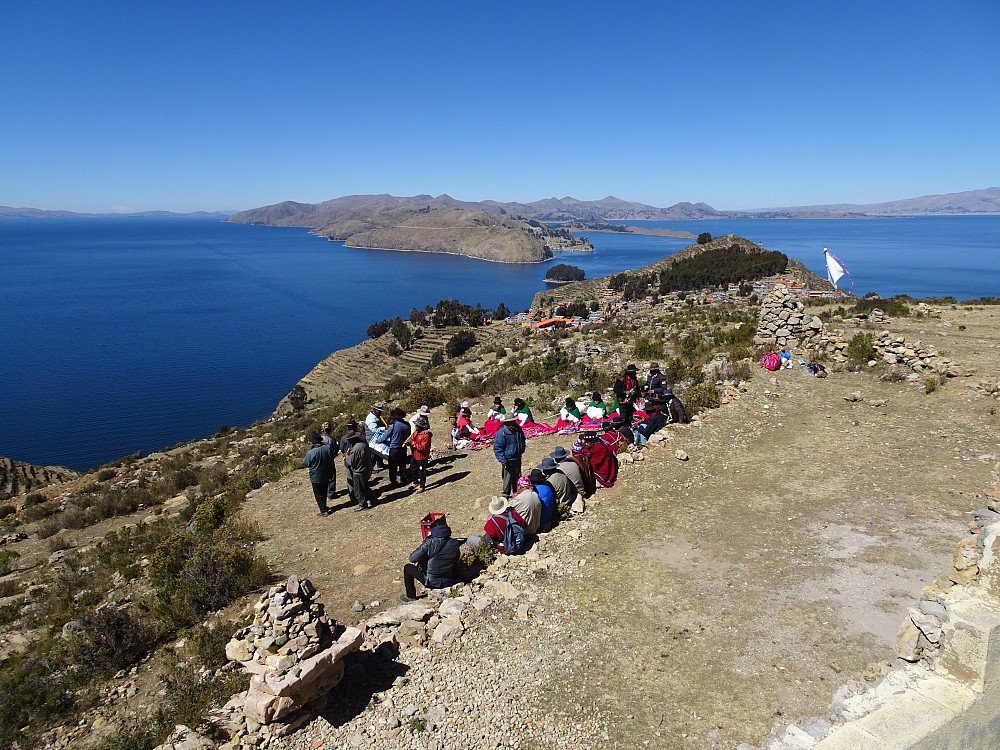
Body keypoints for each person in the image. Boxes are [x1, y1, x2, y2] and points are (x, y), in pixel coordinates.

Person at [402, 517, 463, 600]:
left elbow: (412, 558)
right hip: (448, 580)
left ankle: (410, 596)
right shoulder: (455, 543)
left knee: (408, 568)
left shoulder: (430, 542)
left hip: (432, 582)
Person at [493, 412, 526, 498]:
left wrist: (522, 450)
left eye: (513, 422)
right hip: (507, 460)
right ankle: (505, 495)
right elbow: (498, 449)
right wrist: (503, 461)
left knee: (517, 477)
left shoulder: (518, 429)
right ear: (506, 423)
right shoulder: (501, 433)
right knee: (507, 479)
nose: (512, 424)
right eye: (510, 422)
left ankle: (517, 493)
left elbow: (522, 439)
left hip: (517, 457)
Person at [302, 433, 334, 516]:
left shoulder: (311, 452)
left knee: (318, 494)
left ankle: (323, 510)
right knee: (324, 491)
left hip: (316, 477)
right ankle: (324, 507)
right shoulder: (327, 448)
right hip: (326, 474)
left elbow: (305, 463)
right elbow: (332, 457)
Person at [378, 408, 412, 486]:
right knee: (402, 465)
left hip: (394, 448)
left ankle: (393, 482)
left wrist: (379, 441)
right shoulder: (407, 425)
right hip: (402, 447)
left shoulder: (394, 426)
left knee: (392, 467)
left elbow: (385, 437)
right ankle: (403, 479)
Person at [343, 431, 373, 511]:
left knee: (358, 489)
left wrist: (347, 456)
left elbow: (350, 462)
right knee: (365, 486)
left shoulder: (356, 448)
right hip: (365, 468)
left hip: (358, 471)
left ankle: (362, 505)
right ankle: (367, 501)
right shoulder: (363, 445)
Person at [404, 415, 432, 492]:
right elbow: (411, 439)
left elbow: (423, 447)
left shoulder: (426, 435)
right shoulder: (416, 433)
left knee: (421, 472)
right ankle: (415, 482)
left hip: (421, 457)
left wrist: (412, 443)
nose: (415, 426)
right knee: (413, 469)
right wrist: (408, 442)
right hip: (414, 455)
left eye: (416, 425)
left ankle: (422, 486)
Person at [319, 422, 339, 502]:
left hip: (320, 460)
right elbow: (335, 450)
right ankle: (330, 493)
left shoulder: (319, 437)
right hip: (329, 460)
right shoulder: (331, 439)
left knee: (324, 476)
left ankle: (325, 491)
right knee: (332, 476)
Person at [365, 403, 387, 469]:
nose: (380, 412)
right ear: (374, 410)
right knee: (373, 454)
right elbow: (374, 430)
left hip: (377, 437)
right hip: (371, 439)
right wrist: (384, 428)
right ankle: (370, 468)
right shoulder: (371, 418)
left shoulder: (376, 416)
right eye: (378, 411)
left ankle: (380, 464)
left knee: (379, 451)